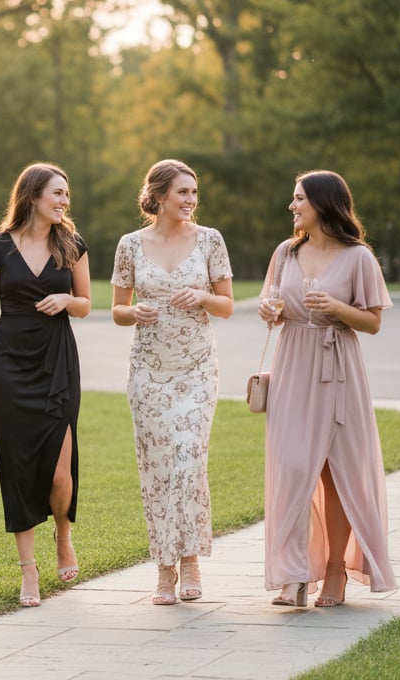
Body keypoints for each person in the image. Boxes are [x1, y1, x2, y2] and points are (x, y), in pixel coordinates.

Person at [257, 170, 397, 608]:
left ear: (323, 203)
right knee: (293, 468)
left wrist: (337, 308)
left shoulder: (358, 258)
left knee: (336, 474)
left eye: (299, 199)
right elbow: (273, 305)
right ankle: (294, 574)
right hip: (293, 364)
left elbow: (373, 322)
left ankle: (335, 570)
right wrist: (269, 310)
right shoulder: (285, 252)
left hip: (339, 369)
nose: (292, 206)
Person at [110, 159, 234, 606]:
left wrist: (202, 296)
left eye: (194, 193)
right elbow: (117, 310)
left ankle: (191, 560)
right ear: (158, 195)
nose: (191, 201)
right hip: (148, 372)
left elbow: (226, 306)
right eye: (183, 192)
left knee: (188, 461)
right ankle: (163, 566)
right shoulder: (130, 245)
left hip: (197, 369)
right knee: (157, 467)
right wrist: (135, 312)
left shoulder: (210, 240)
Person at [0, 161, 92, 608]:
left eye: (66, 194)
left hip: (58, 364)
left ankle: (63, 535)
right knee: (18, 468)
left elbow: (86, 305)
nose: (63, 201)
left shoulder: (71, 244)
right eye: (56, 193)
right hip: (10, 366)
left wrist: (67, 300)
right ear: (33, 195)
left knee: (61, 473)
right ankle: (28, 570)